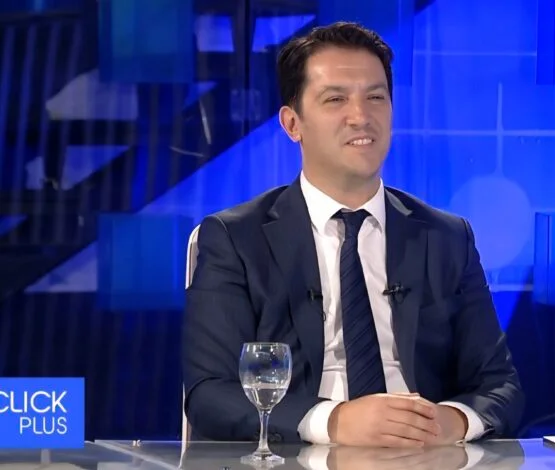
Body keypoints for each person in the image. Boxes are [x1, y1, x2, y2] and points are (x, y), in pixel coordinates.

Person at [182, 21, 524, 447]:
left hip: (423, 455)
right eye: (335, 99)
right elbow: (210, 394)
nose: (361, 117)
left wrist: (450, 422)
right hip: (300, 452)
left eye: (375, 97)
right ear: (292, 124)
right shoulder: (236, 239)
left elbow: (500, 387)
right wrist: (334, 422)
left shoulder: (447, 237)